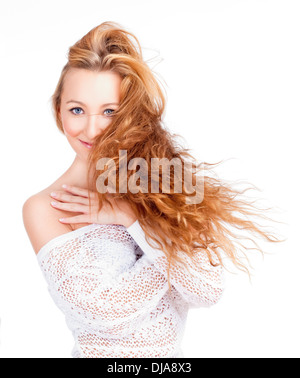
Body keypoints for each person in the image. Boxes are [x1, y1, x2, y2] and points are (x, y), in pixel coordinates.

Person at [22, 21, 282, 358]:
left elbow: (207, 289)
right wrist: (165, 246)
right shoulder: (46, 207)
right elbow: (105, 315)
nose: (91, 128)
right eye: (77, 109)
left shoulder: (167, 186)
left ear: (132, 114)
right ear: (58, 110)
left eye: (109, 112)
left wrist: (133, 219)